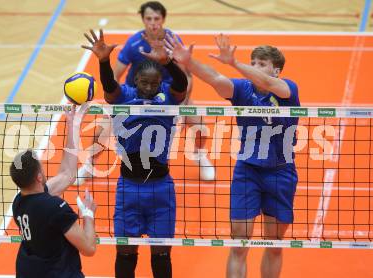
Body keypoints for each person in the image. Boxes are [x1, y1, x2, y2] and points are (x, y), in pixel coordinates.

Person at [165, 34, 300, 278]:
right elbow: (215, 78)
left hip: (281, 171)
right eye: (254, 62)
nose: (255, 67)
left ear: (276, 70)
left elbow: (269, 85)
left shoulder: (287, 89)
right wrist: (189, 62)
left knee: (274, 245)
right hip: (247, 171)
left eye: (261, 64)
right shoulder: (242, 89)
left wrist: (235, 63)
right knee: (239, 244)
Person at [82, 29, 187, 278]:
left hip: (161, 188)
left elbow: (181, 85)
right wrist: (104, 60)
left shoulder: (168, 99)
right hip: (129, 188)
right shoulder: (124, 97)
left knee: (161, 255)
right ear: (135, 82)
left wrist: (168, 62)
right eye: (144, 82)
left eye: (154, 83)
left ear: (161, 83)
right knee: (125, 253)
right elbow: (109, 86)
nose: (149, 87)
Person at [76, 1, 215, 185]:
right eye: (148, 18)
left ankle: (199, 155)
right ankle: (90, 164)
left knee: (200, 127)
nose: (153, 23)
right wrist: (117, 102)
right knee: (101, 131)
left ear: (163, 19)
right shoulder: (134, 43)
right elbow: (116, 75)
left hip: (168, 94)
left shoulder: (172, 42)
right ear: (143, 20)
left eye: (157, 18)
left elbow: (186, 77)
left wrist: (182, 106)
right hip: (133, 94)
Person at [11, 103, 97, 278]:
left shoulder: (19, 202)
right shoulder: (55, 207)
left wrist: (73, 125)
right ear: (39, 177)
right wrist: (88, 214)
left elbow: (67, 174)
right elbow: (89, 248)